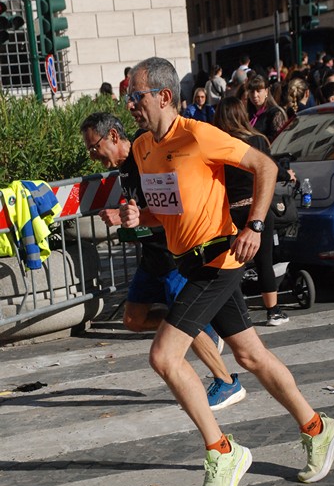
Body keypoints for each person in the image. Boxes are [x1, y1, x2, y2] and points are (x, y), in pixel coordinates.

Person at [120, 56, 334, 486]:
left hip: (220, 258)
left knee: (164, 356)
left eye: (135, 96)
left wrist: (256, 226)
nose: (130, 106)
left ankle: (223, 452)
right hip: (188, 262)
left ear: (163, 96)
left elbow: (264, 166)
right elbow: (167, 211)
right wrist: (136, 216)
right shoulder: (143, 148)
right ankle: (319, 429)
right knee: (250, 354)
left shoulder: (198, 134)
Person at [80, 111, 246, 411]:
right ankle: (201, 329)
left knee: (185, 325)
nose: (93, 155)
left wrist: (129, 217)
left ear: (114, 137)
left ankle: (226, 380)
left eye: (94, 147)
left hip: (171, 255)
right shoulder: (125, 169)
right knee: (133, 319)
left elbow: (170, 210)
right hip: (151, 258)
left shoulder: (146, 157)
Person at [214, 96, 293, 325]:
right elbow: (271, 169)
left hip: (227, 213)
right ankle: (274, 312)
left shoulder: (218, 145)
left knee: (232, 266)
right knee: (263, 261)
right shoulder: (258, 141)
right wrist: (288, 175)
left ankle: (239, 315)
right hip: (257, 210)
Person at [247, 74, 287, 143]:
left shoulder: (275, 113)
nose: (255, 95)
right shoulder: (248, 114)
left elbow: (277, 140)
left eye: (258, 91)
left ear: (266, 91)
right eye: (252, 91)